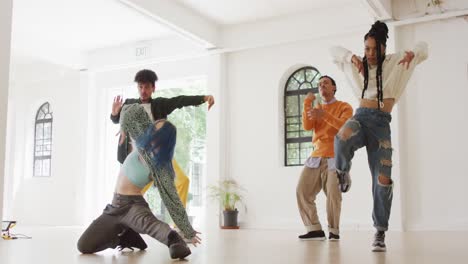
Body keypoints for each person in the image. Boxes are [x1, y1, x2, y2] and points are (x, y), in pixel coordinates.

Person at [330, 21, 428, 252]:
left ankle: (380, 232)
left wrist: (414, 52)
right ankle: (343, 173)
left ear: (384, 47)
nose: (370, 54)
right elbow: (332, 50)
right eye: (367, 49)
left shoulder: (398, 61)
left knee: (383, 180)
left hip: (381, 125)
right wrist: (350, 57)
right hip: (361, 118)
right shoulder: (358, 64)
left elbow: (424, 47)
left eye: (374, 49)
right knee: (341, 138)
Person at [78, 104, 201, 259]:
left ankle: (175, 240)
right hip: (114, 206)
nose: (153, 131)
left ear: (165, 140)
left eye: (158, 132)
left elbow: (173, 201)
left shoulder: (161, 168)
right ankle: (125, 235)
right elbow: (131, 110)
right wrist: (123, 126)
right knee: (84, 245)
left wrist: (187, 230)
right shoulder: (142, 136)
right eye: (153, 128)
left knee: (152, 226)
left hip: (133, 206)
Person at [111, 69, 215, 208]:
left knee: (182, 182)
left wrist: (203, 98)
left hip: (159, 156)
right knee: (130, 192)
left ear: (153, 88)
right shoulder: (129, 104)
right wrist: (114, 112)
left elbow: (180, 100)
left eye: (147, 87)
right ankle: (122, 219)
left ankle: (178, 227)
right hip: (137, 159)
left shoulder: (160, 104)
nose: (143, 91)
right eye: (140, 87)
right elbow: (116, 119)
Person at [296, 75, 353, 241]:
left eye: (326, 83)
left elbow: (344, 128)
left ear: (334, 87)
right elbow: (307, 126)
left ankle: (334, 231)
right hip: (316, 156)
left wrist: (324, 115)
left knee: (333, 195)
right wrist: (307, 103)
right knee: (302, 191)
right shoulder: (316, 107)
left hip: (335, 156)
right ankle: (314, 229)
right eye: (319, 84)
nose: (322, 86)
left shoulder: (344, 106)